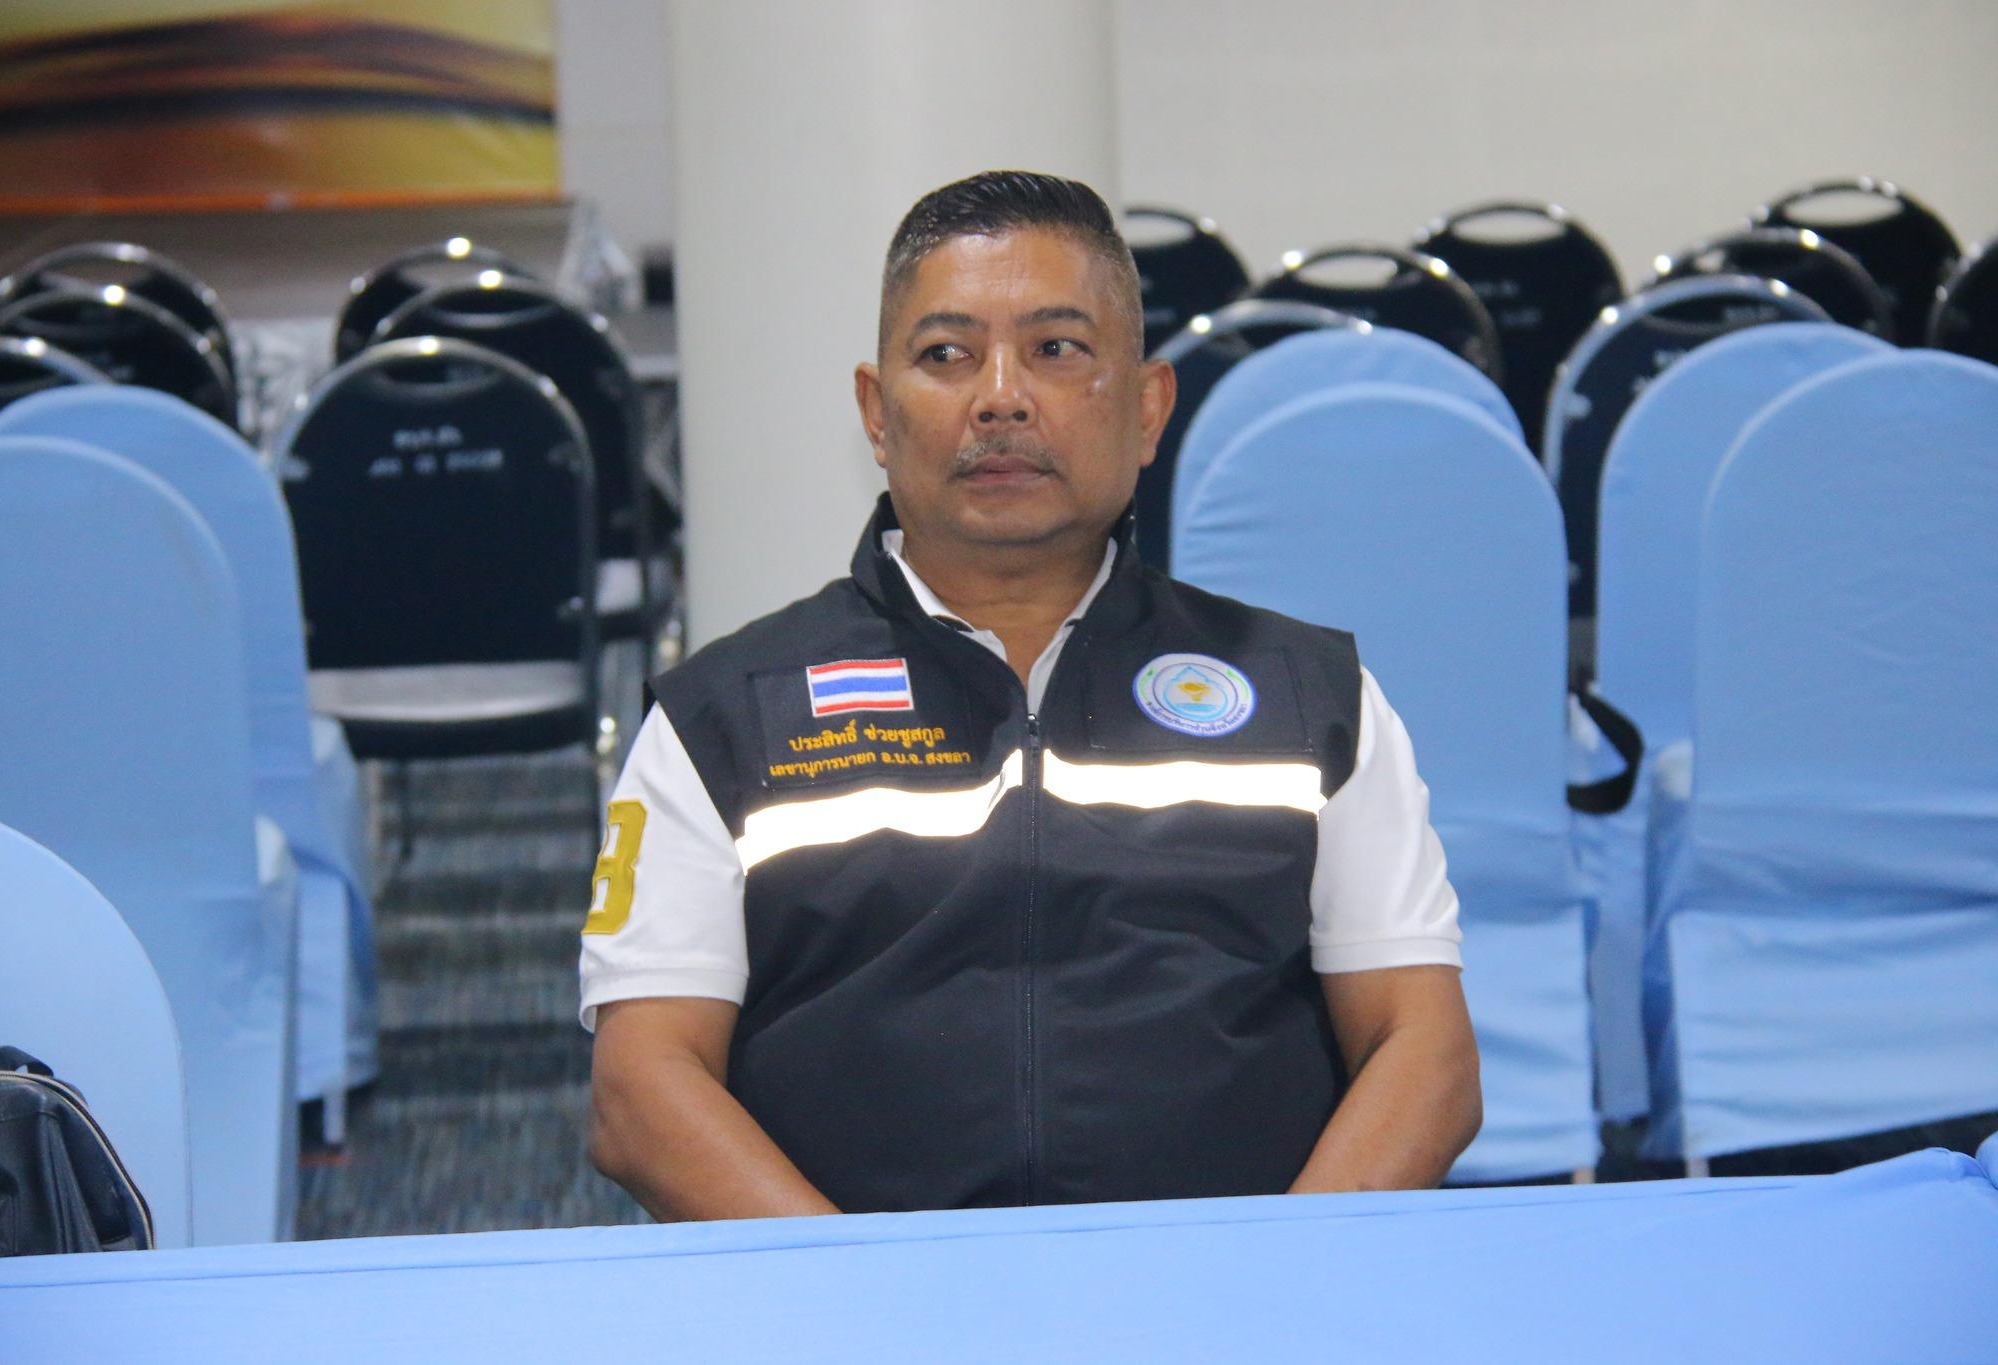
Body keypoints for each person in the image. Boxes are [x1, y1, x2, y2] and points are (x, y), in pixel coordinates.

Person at [583, 170, 1480, 1221]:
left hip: (1230, 1286)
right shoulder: (723, 718)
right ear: (876, 413)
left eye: (1056, 349)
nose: (1000, 397)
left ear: (1146, 409)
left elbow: (1423, 1051)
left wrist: (1272, 1279)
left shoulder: (1310, 698)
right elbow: (642, 1090)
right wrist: (859, 1292)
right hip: (858, 1292)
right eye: (945, 355)